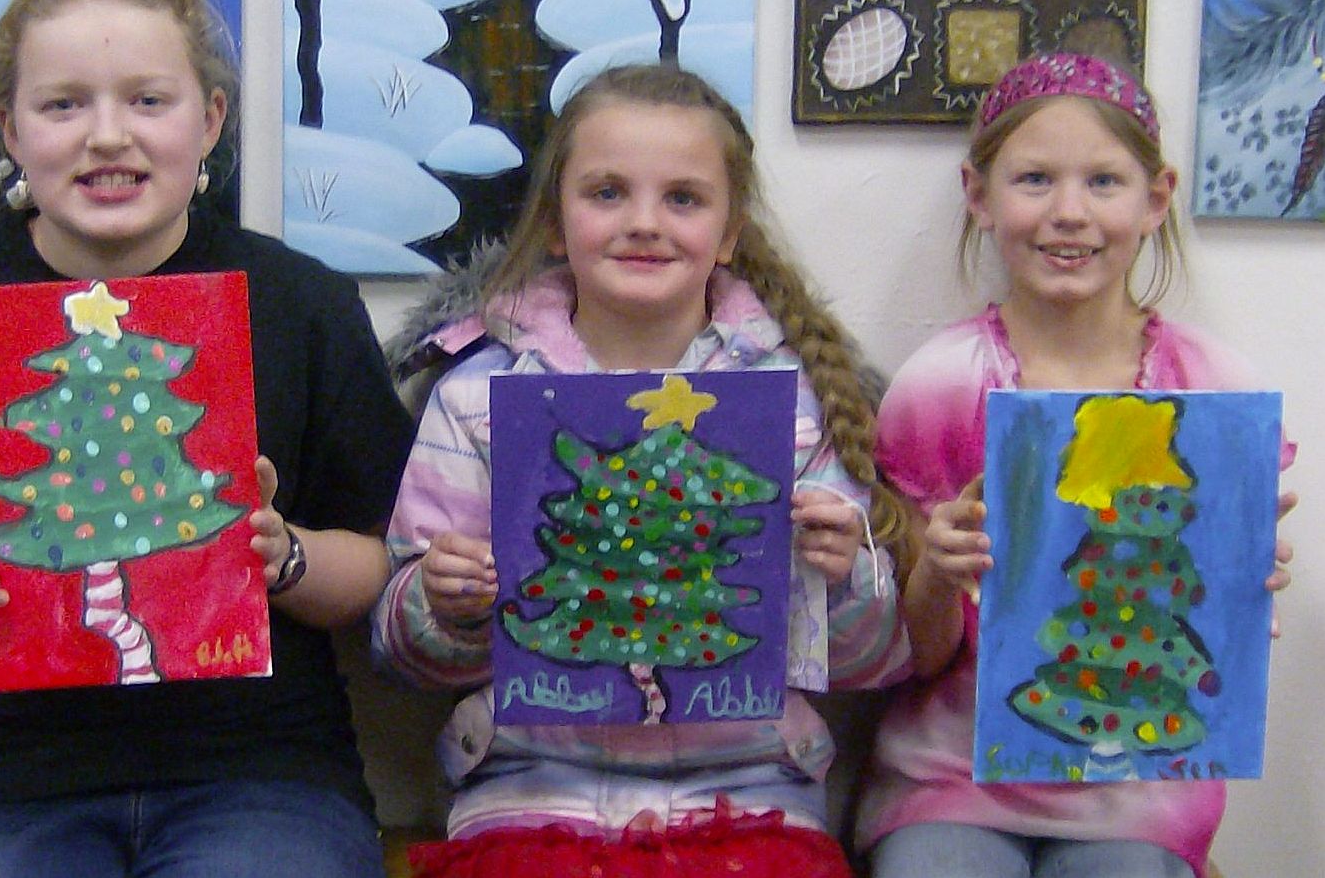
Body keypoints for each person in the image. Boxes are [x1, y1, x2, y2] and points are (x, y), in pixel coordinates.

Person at [0, 0, 411, 878]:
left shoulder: (302, 303)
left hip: (258, 768)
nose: (107, 136)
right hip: (6, 778)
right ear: (10, 129)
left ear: (209, 120)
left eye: (147, 100)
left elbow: (371, 564)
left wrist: (281, 553)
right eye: (63, 105)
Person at [372, 63, 914, 878]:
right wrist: (443, 604)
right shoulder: (479, 397)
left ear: (728, 235)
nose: (644, 223)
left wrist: (840, 580)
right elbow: (401, 655)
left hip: (749, 792)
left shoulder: (793, 405)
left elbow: (872, 661)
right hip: (529, 792)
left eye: (683, 199)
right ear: (556, 223)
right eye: (607, 193)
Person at [852, 51, 1299, 878]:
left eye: (1102, 181)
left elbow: (1217, 637)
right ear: (978, 195)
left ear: (1155, 199)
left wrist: (1240, 587)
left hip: (1142, 784)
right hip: (954, 774)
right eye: (1033, 180)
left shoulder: (1211, 389)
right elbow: (920, 654)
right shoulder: (942, 384)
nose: (1068, 212)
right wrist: (938, 573)